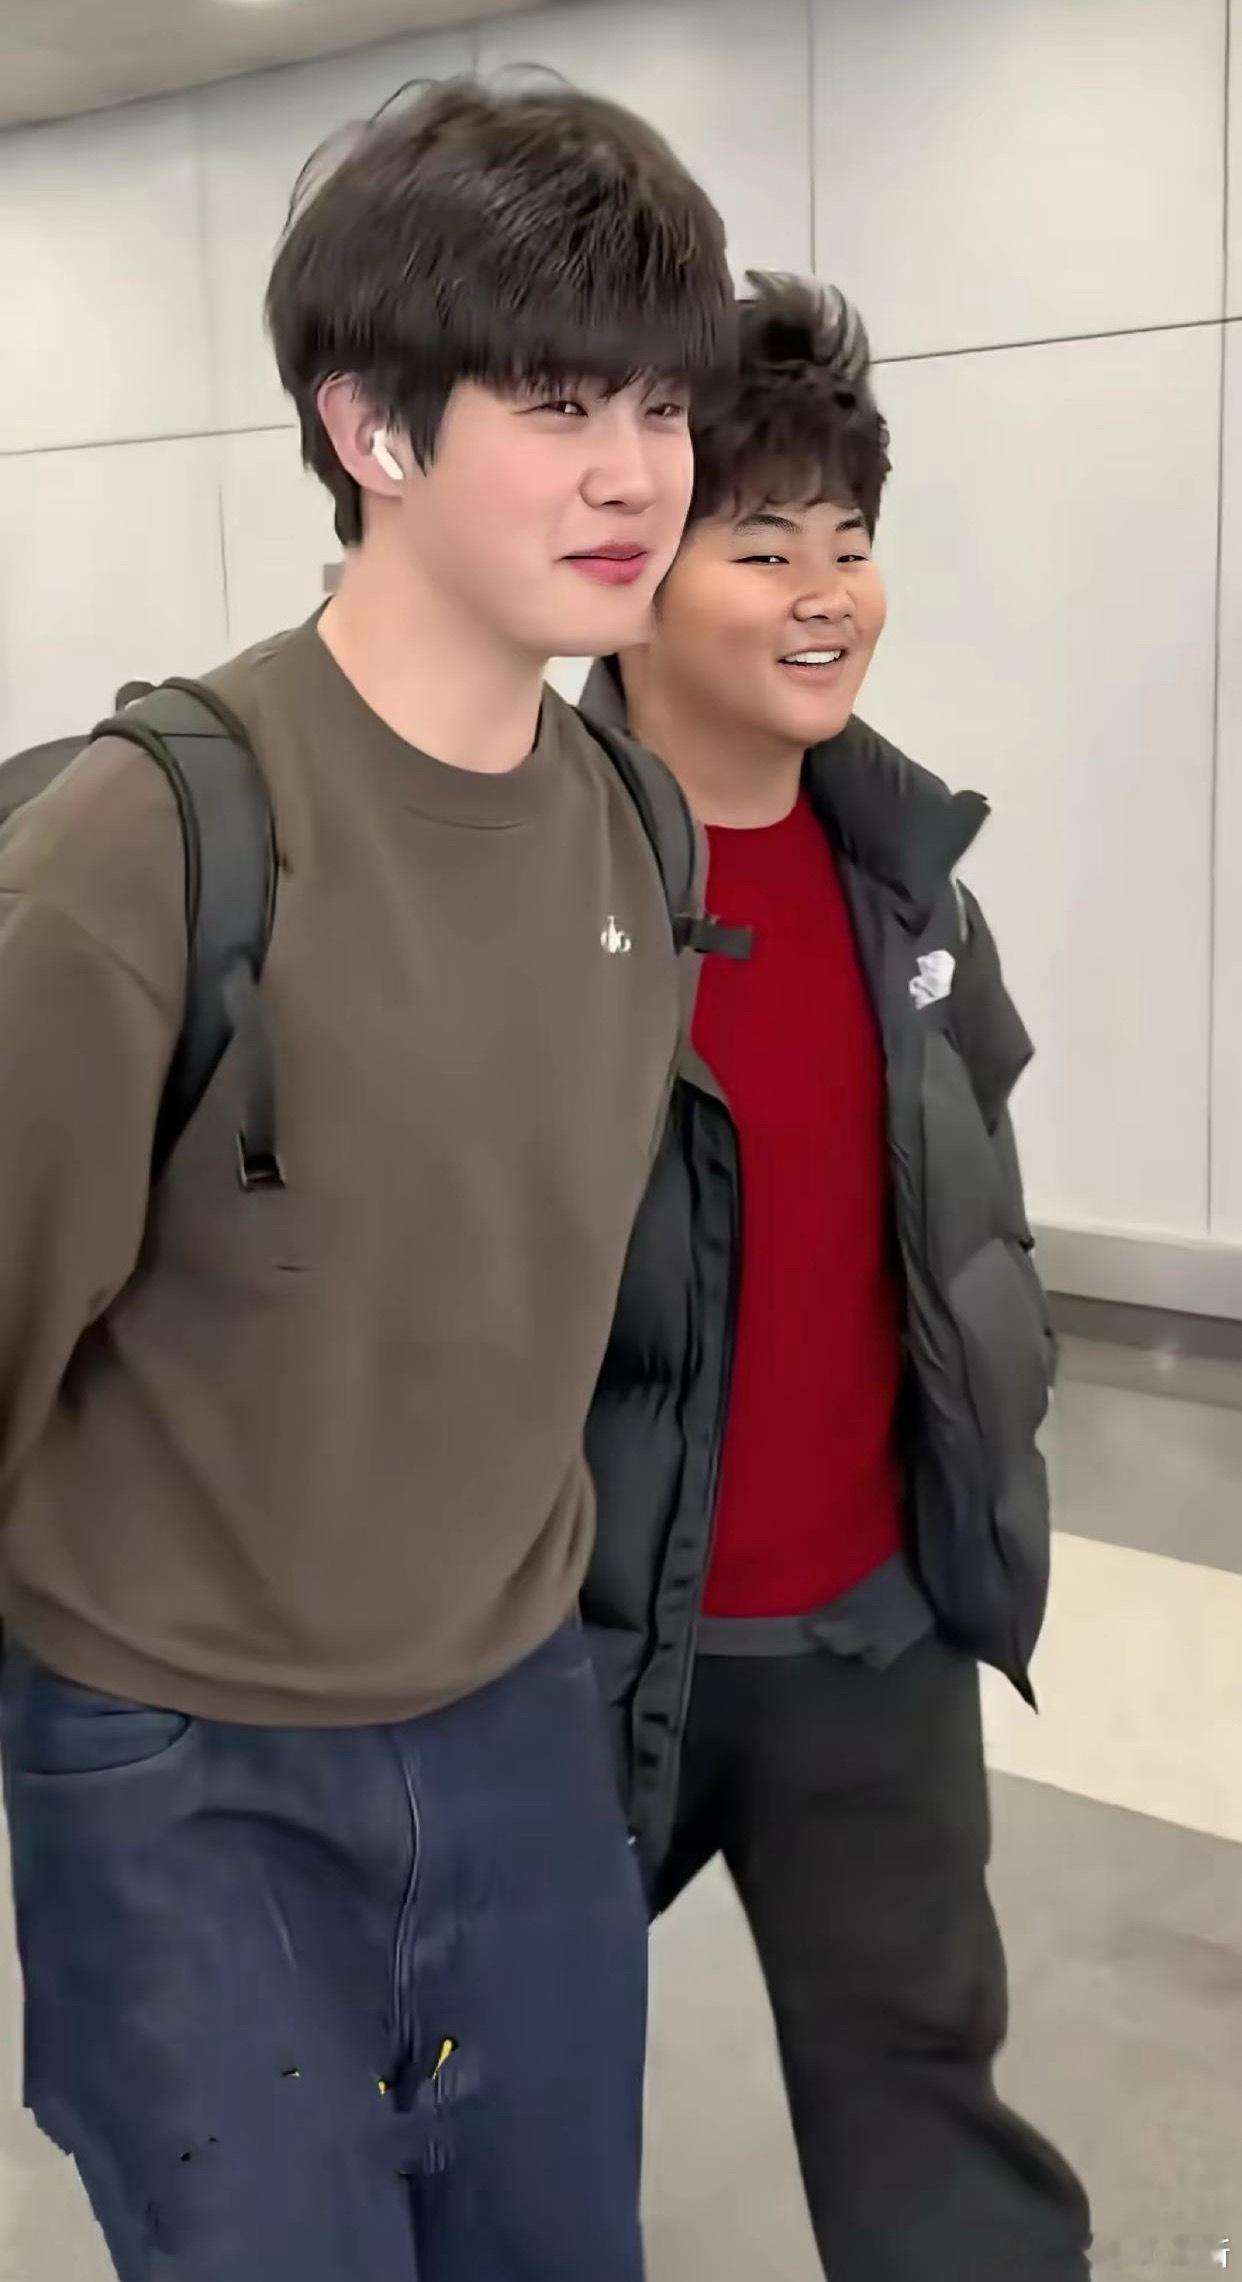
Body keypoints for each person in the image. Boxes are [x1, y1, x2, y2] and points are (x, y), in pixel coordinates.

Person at [0, 79, 732, 2282]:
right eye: (555, 402)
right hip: (182, 1777)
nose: (635, 472)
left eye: (661, 403)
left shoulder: (636, 827)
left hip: (516, 1732)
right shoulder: (145, 847)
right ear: (371, 430)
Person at [580, 272, 1093, 2282]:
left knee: (934, 2139)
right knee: (475, 2131)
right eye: (761, 544)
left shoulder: (908, 883)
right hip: (571, 1659)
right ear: (630, 572)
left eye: (849, 539)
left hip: (868, 1648)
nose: (824, 594)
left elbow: (971, 1220)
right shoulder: (519, 880)